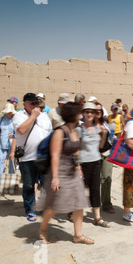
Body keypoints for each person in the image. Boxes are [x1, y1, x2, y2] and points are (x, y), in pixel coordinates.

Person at [36, 102, 94, 244]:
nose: (82, 115)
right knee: (55, 205)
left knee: (79, 203)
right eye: (79, 112)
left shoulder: (75, 130)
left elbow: (75, 149)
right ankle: (42, 229)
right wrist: (55, 178)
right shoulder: (59, 132)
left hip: (72, 172)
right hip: (59, 172)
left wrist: (78, 166)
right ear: (73, 115)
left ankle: (78, 235)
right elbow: (55, 155)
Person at [13, 93, 52, 222]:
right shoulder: (19, 116)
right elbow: (21, 130)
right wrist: (33, 116)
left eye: (37, 103)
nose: (36, 106)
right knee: (29, 186)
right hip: (27, 158)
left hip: (44, 158)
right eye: (32, 103)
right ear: (25, 104)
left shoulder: (45, 117)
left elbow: (50, 134)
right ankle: (30, 210)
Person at [77, 102, 110, 228]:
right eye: (87, 112)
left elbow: (100, 147)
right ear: (83, 114)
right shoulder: (79, 129)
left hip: (96, 162)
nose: (90, 114)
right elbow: (76, 148)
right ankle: (73, 212)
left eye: (92, 112)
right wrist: (78, 166)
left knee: (95, 190)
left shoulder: (97, 128)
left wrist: (104, 135)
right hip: (83, 163)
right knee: (80, 190)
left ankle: (97, 217)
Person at [95, 102, 115, 214]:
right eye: (96, 110)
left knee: (107, 178)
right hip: (95, 154)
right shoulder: (89, 125)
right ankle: (95, 203)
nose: (98, 112)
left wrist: (113, 136)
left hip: (107, 152)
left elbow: (110, 137)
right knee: (95, 180)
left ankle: (106, 204)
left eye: (100, 110)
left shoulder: (106, 123)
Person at [0, 103, 17, 186]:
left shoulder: (16, 119)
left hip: (12, 144)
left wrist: (14, 134)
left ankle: (10, 177)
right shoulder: (2, 119)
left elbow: (20, 130)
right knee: (1, 160)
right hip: (2, 143)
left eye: (10, 112)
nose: (8, 113)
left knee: (12, 161)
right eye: (7, 112)